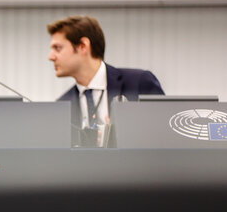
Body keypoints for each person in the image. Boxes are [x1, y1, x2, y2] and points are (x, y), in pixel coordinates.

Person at [47, 15, 165, 146]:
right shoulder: (62, 105)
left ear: (83, 46)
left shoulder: (140, 83)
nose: (50, 57)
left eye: (57, 48)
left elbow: (166, 136)